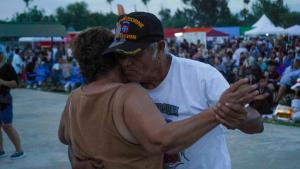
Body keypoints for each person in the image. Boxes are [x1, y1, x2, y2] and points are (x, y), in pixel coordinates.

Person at [72, 12, 265, 169]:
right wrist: (76, 160)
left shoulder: (201, 76)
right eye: (120, 55)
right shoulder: (121, 84)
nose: (126, 62)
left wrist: (238, 117)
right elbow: (73, 132)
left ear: (160, 47)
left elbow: (256, 124)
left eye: (134, 54)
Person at [0, 48, 25, 159]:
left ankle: (19, 150)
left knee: (7, 125)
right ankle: (1, 151)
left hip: (4, 99)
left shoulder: (7, 67)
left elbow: (15, 83)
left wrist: (2, 82)